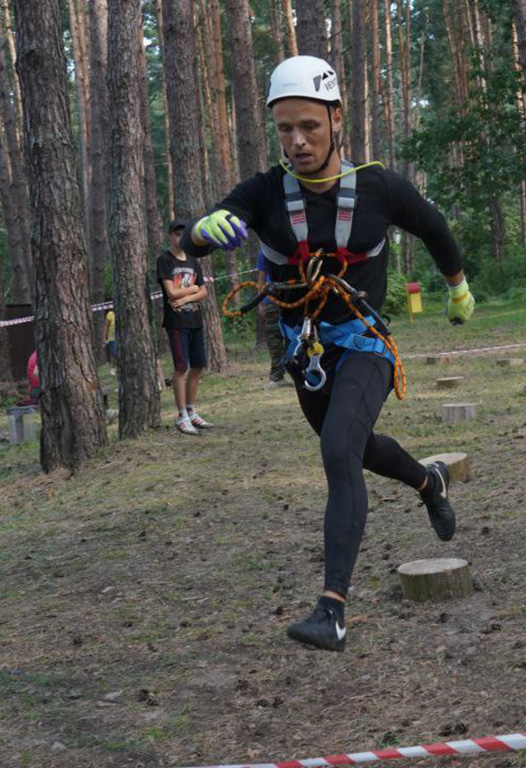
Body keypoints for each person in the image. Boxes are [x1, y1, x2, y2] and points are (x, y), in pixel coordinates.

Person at [183, 55, 476, 652]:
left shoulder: (379, 187)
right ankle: (429, 482)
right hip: (306, 353)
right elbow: (206, 231)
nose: (297, 141)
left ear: (337, 118)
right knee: (354, 447)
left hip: (364, 345)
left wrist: (458, 286)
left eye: (310, 126)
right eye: (285, 128)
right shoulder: (264, 192)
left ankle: (332, 609)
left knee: (338, 452)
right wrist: (202, 231)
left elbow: (436, 226)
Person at [158, 220, 214, 435]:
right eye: (176, 234)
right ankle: (181, 415)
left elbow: (204, 292)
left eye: (184, 233)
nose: (180, 237)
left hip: (195, 320)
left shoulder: (193, 261)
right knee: (181, 368)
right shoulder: (165, 261)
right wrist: (190, 290)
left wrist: (184, 297)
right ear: (170, 236)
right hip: (176, 323)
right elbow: (171, 292)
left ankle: (191, 411)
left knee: (198, 366)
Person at [256, 249, 289, 387]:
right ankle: (276, 377)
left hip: (290, 299)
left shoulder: (289, 248)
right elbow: (261, 278)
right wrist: (260, 302)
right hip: (271, 301)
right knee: (274, 341)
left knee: (293, 338)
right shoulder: (264, 252)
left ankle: (297, 372)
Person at [103, 307, 117, 376]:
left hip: (119, 336)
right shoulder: (110, 314)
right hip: (112, 337)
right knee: (114, 353)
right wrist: (104, 336)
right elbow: (106, 326)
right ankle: (113, 367)